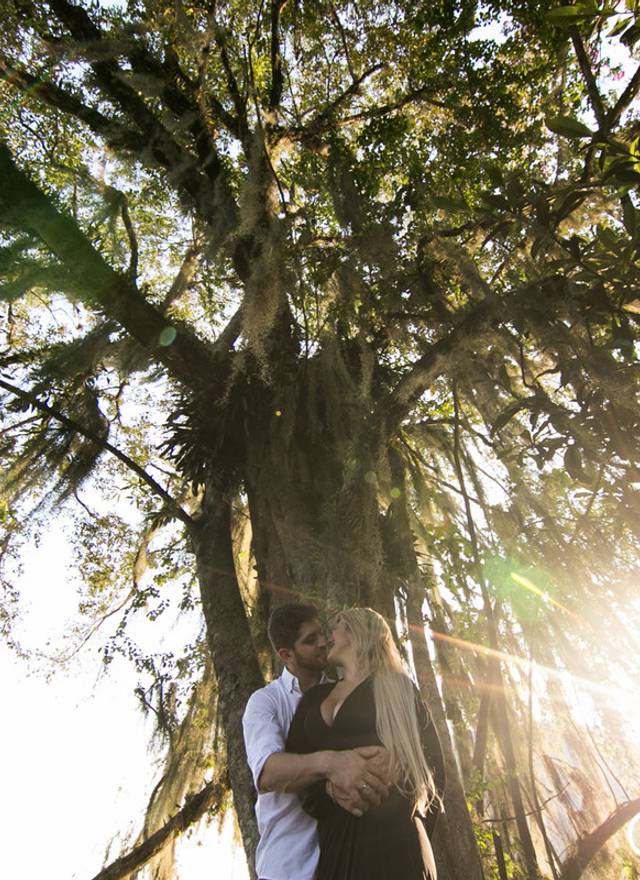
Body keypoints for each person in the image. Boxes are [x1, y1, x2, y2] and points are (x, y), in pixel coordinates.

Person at [286, 607, 446, 880]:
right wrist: (329, 788)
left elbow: (434, 770)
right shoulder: (314, 698)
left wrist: (397, 772)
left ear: (357, 633)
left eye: (336, 626)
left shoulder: (397, 688)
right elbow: (296, 769)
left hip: (395, 844)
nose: (328, 637)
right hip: (335, 847)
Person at [242, 603, 392, 880]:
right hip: (288, 865)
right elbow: (267, 773)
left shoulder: (346, 693)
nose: (324, 642)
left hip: (345, 861)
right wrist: (331, 763)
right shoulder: (266, 702)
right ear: (286, 654)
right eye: (310, 640)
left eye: (322, 633)